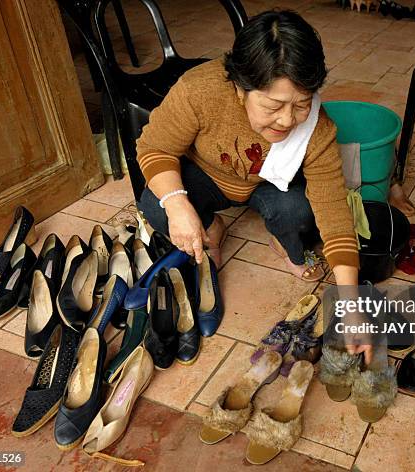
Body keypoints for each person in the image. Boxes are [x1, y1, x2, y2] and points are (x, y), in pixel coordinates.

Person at [136, 10, 377, 361]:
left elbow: (334, 212)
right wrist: (177, 203)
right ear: (240, 86)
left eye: (300, 106)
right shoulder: (200, 91)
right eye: (273, 106)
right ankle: (211, 225)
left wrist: (352, 305)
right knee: (156, 206)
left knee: (301, 212)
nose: (287, 120)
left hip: (268, 183)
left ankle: (279, 236)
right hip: (205, 175)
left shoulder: (317, 130)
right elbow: (154, 147)